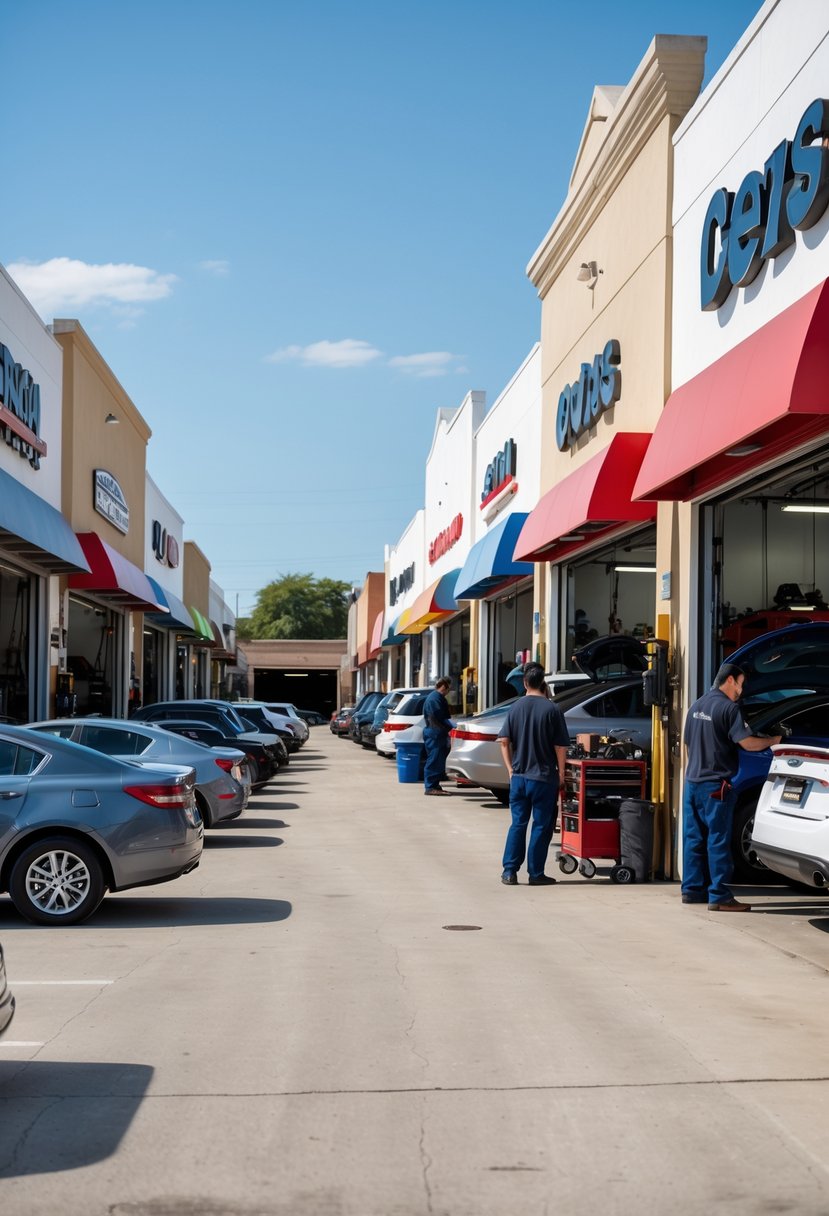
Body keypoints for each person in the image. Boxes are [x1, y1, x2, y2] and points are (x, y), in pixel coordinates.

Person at [682, 661, 781, 912]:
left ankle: (692, 891)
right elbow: (747, 744)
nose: (741, 690)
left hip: (692, 783)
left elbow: (687, 746)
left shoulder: (697, 705)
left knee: (693, 838)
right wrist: (774, 740)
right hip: (716, 786)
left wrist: (693, 773)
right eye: (741, 684)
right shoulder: (728, 708)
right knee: (718, 840)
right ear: (730, 680)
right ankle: (720, 896)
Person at [497, 662, 570, 886]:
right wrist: (561, 774)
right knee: (541, 825)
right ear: (543, 683)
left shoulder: (515, 708)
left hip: (519, 778)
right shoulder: (552, 709)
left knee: (518, 824)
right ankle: (536, 873)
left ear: (525, 683)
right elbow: (560, 747)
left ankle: (509, 871)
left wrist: (510, 769)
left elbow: (504, 742)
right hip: (543, 778)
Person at [422, 677, 454, 796]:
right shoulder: (435, 699)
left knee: (437, 760)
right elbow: (439, 717)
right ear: (444, 686)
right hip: (434, 734)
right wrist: (451, 726)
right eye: (449, 688)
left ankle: (434, 785)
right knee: (434, 760)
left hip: (436, 733)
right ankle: (430, 787)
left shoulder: (436, 698)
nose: (449, 691)